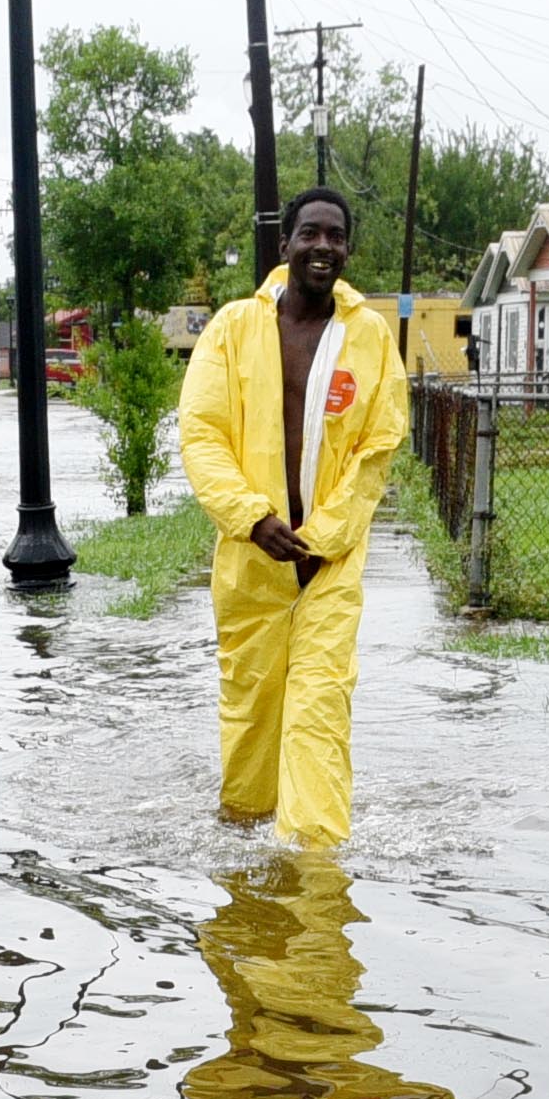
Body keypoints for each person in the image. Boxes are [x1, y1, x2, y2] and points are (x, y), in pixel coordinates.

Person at [176, 189, 410, 849]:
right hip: (252, 563)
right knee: (252, 711)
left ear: (348, 249)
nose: (324, 247)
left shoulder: (368, 338)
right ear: (285, 246)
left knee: (318, 708)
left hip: (329, 565)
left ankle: (314, 870)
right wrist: (252, 519)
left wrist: (324, 536)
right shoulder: (232, 330)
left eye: (336, 237)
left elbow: (379, 444)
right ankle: (245, 830)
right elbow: (202, 435)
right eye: (311, 233)